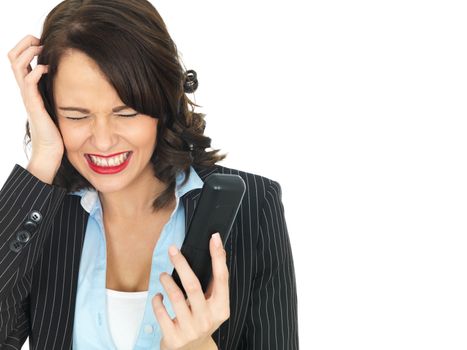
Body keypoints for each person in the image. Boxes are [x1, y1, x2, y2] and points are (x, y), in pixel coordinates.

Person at [1, 0, 298, 349]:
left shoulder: (252, 206)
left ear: (162, 101)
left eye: (126, 113)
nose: (103, 140)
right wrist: (42, 160)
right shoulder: (40, 215)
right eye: (76, 116)